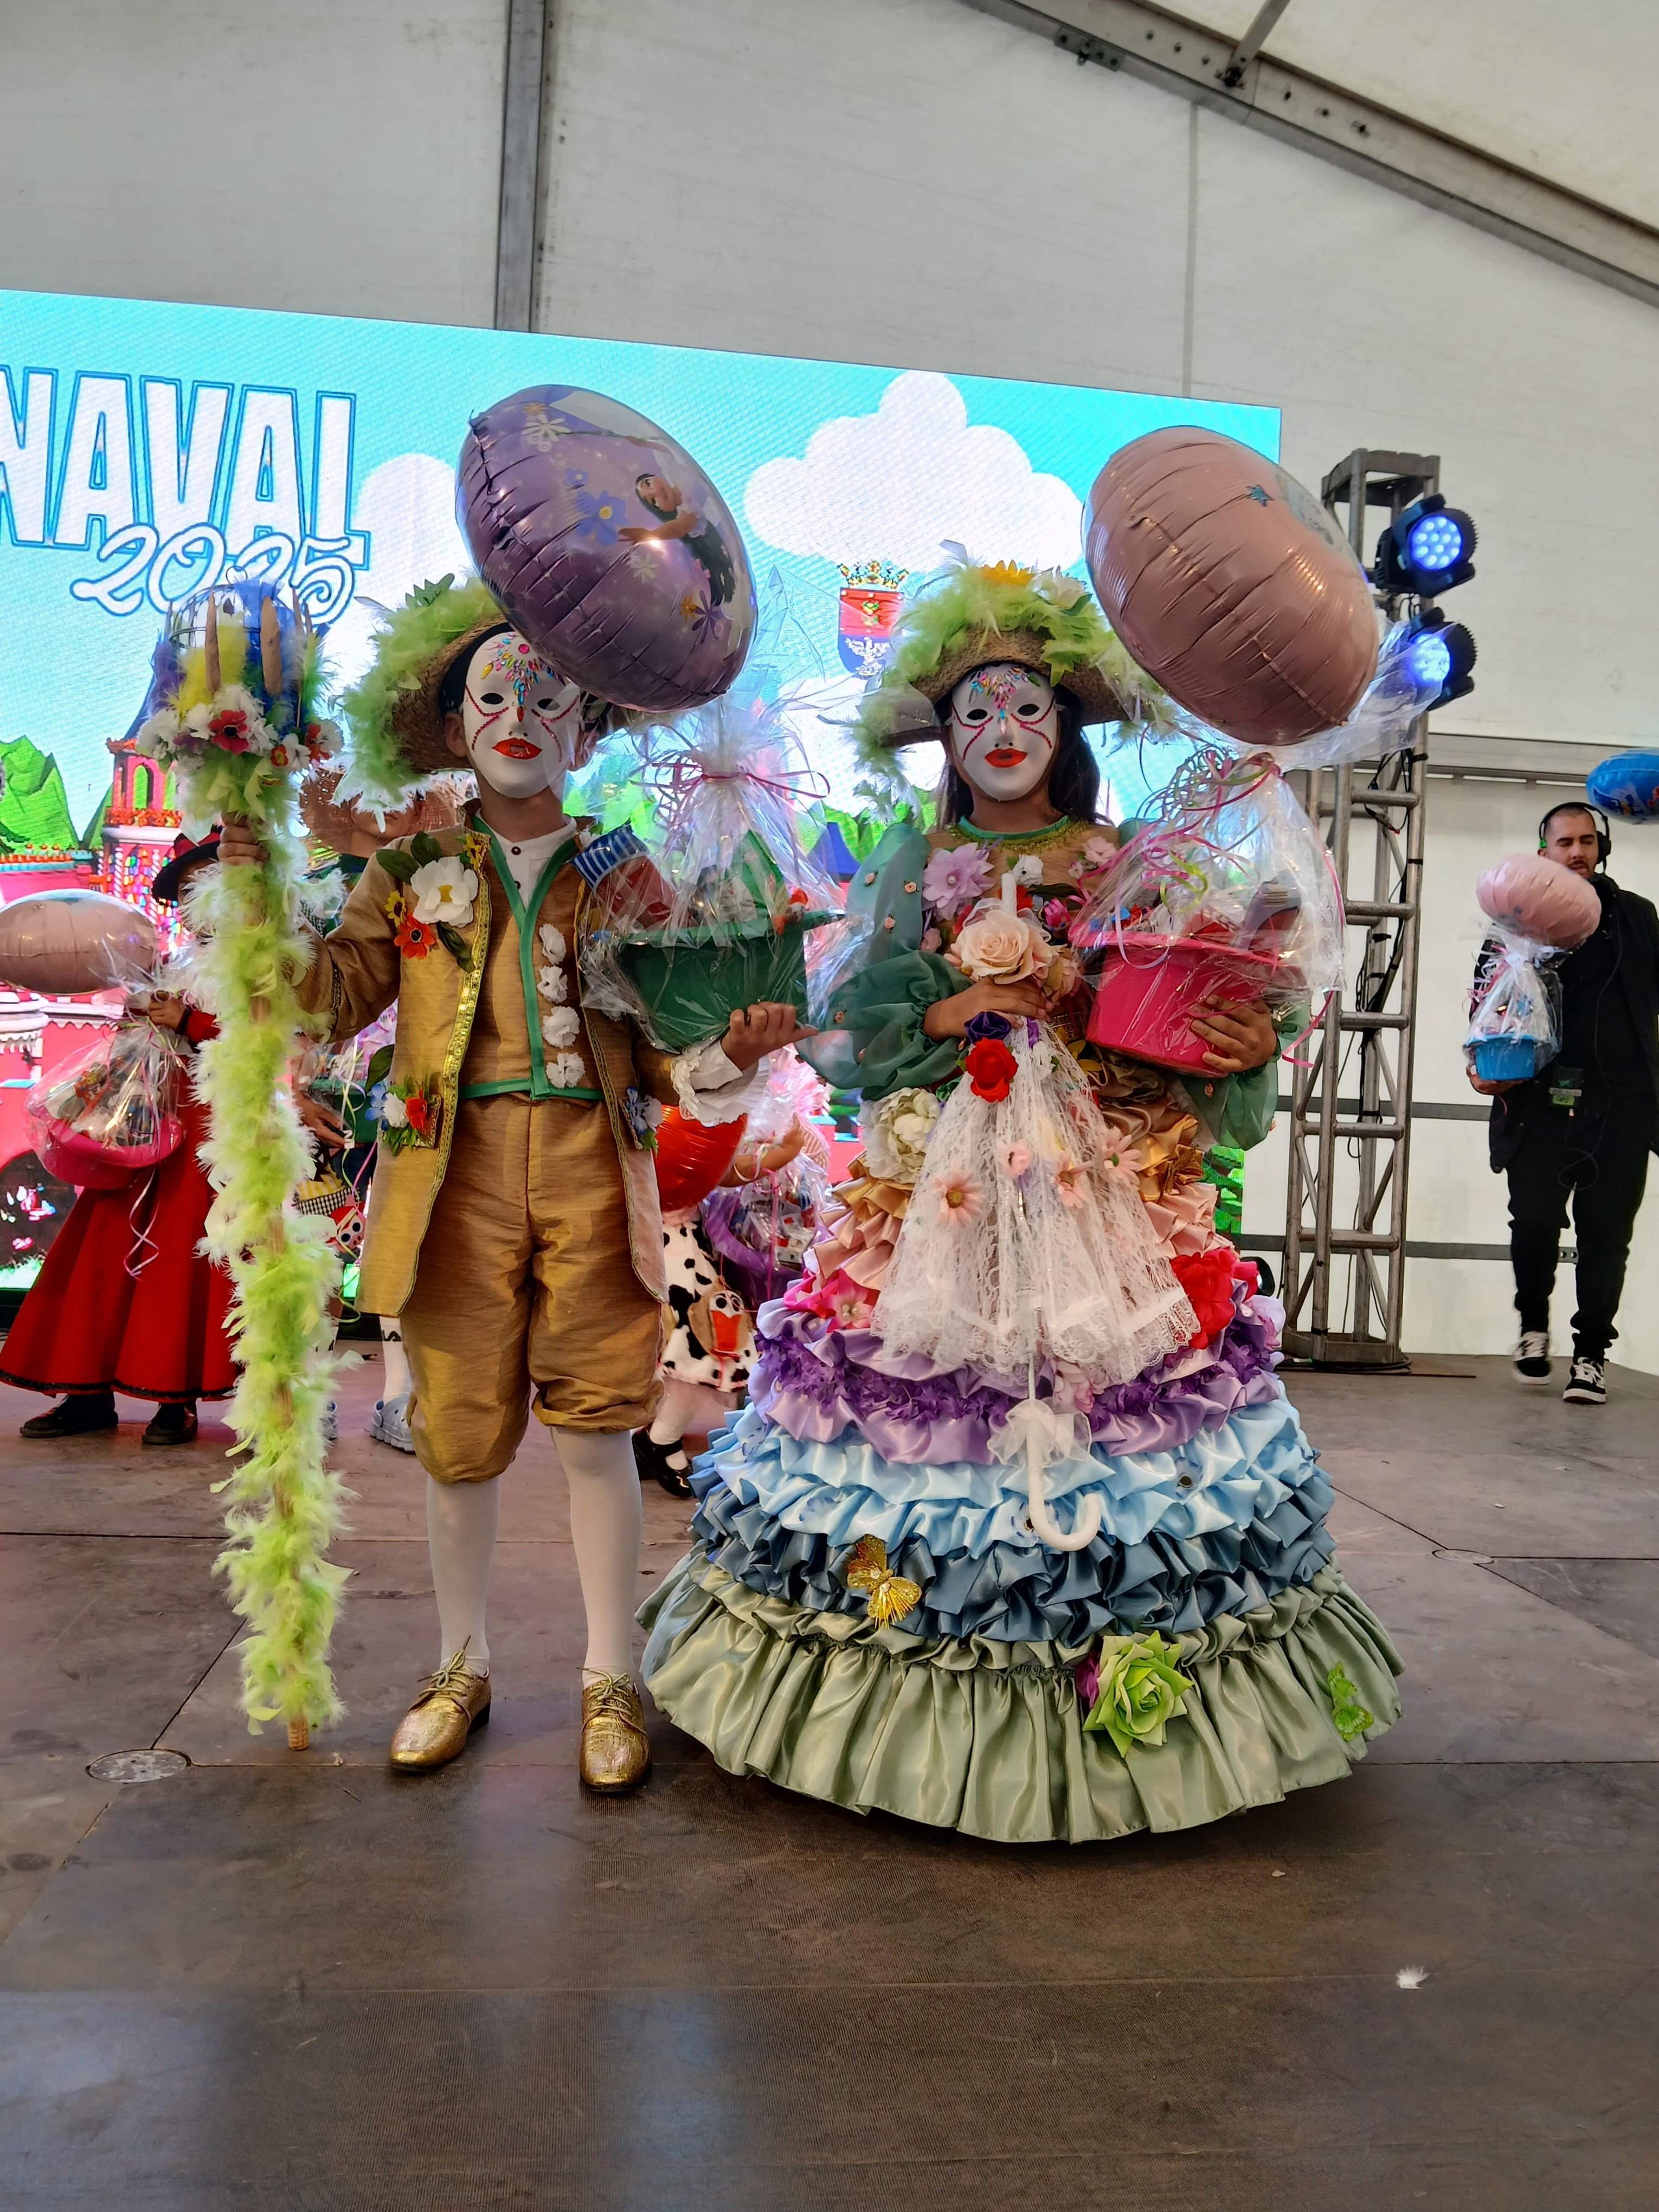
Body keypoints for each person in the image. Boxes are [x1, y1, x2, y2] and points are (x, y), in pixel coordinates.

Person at [638, 562, 1401, 1845]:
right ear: (944, 734)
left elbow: (1182, 1011)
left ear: (1066, 731)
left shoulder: (1122, 863)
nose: (1000, 731)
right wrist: (950, 1006)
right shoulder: (909, 858)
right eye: (975, 708)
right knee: (936, 1403)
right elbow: (848, 1027)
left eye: (1027, 709)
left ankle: (1104, 1713)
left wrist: (1206, 1020)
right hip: (935, 1181)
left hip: (1097, 1186)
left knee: (1101, 1402)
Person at [218, 577, 802, 1791]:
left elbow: (666, 1054)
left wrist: (729, 1055)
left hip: (597, 1167)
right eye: (495, 691)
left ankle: (610, 1674)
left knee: (600, 1435)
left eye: (548, 694)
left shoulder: (631, 874)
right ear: (453, 719)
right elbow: (327, 997)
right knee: (456, 1445)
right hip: (450, 1178)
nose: (521, 712)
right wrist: (253, 878)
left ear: (590, 729)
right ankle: (459, 1664)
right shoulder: (413, 862)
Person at [1, 835, 235, 1445]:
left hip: (211, 1123)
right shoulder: (177, 961)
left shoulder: (264, 961)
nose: (193, 903)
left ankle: (173, 1397)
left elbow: (270, 1039)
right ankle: (85, 1393)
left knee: (181, 1255)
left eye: (205, 885)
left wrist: (187, 1021)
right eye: (185, 893)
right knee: (102, 1247)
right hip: (144, 1116)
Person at [1470, 801, 1659, 1405]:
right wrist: (1479, 1068)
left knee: (1607, 1235)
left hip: (1620, 1103)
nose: (1576, 852)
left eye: (1586, 841)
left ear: (1601, 846)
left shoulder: (1635, 917)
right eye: (1563, 843)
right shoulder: (1515, 920)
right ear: (1543, 852)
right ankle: (1533, 1326)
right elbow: (1483, 1007)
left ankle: (1591, 1356)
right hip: (1537, 1102)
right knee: (1533, 1224)